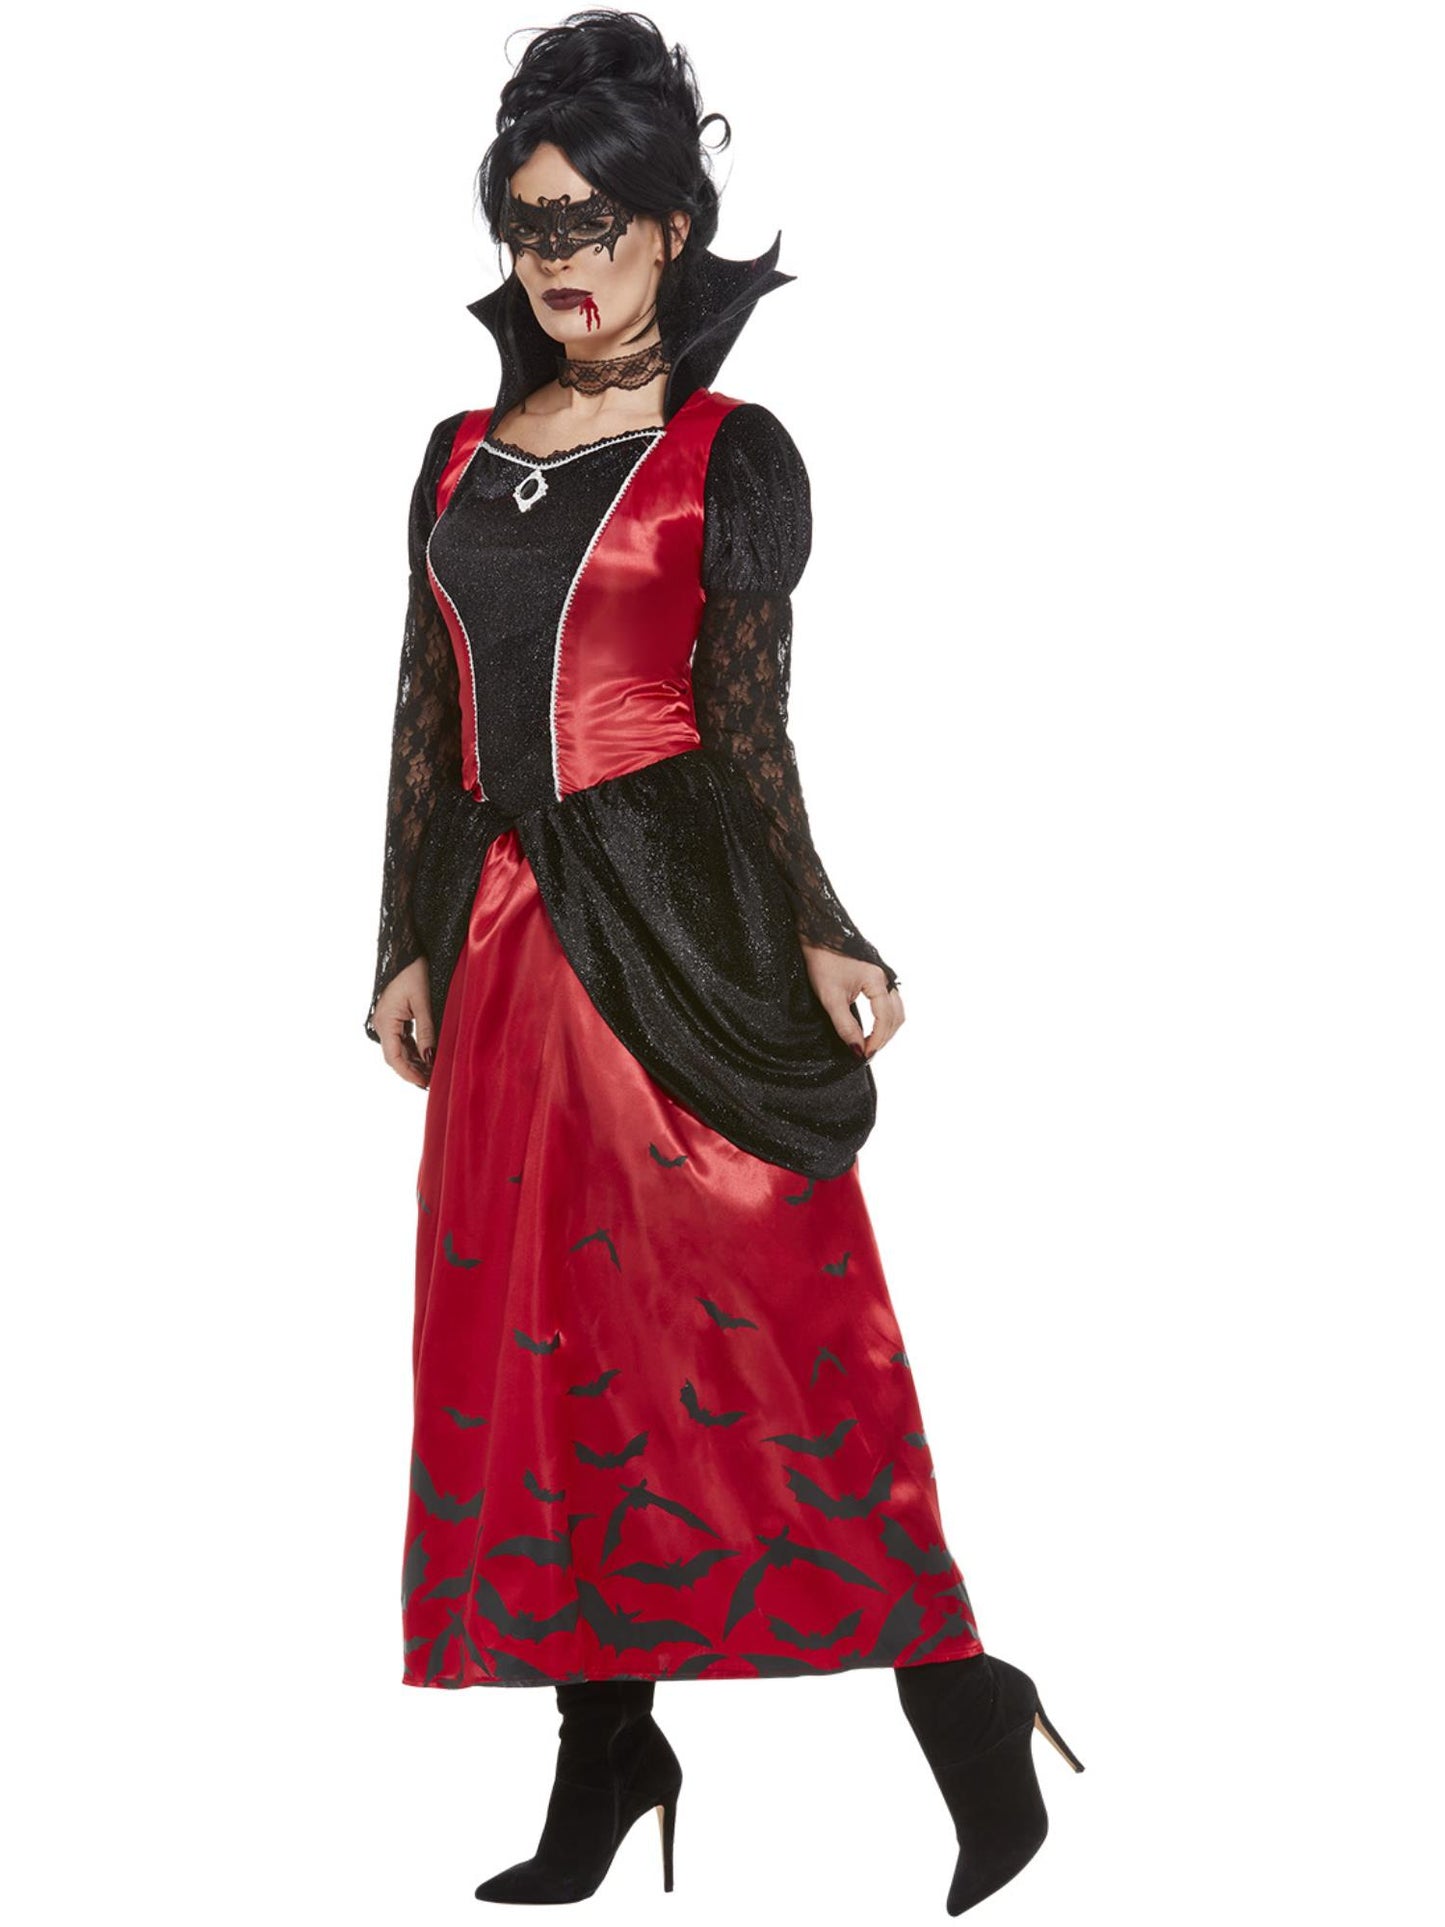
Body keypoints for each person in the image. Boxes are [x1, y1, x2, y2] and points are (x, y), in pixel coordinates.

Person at [364, 9, 1083, 1915]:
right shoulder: (453, 456)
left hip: (679, 928)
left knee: (768, 1327)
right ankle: (604, 1751)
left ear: (671, 231)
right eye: (531, 223)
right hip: (502, 949)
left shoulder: (726, 458)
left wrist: (827, 921)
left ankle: (960, 1699)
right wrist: (399, 944)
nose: (562, 256)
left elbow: (750, 730)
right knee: (549, 1350)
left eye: (596, 221)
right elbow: (423, 712)